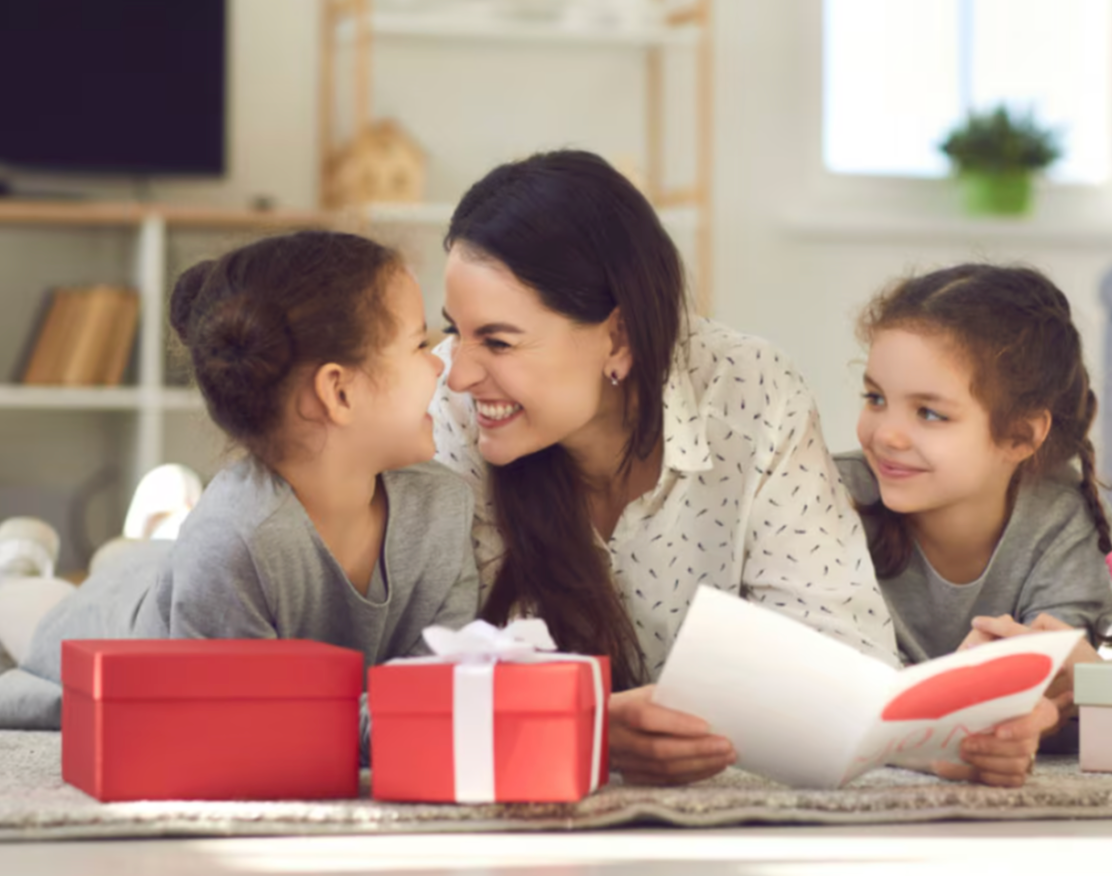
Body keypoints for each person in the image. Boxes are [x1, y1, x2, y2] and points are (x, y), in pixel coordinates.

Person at [430, 149, 901, 787]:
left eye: (497, 341)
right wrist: (588, 728)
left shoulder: (752, 392)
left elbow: (851, 665)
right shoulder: (452, 407)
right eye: (453, 331)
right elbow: (418, 684)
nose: (458, 372)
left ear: (618, 337)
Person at [0, 230, 480, 735]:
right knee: (38, 613)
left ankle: (150, 533)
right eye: (418, 344)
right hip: (130, 623)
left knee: (150, 559)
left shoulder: (444, 507)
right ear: (338, 392)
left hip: (188, 574)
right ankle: (16, 567)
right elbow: (259, 725)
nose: (441, 364)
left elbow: (439, 679)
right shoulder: (231, 543)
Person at [835, 263, 1112, 784]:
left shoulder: (1060, 519)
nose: (886, 434)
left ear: (1020, 436)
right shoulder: (833, 497)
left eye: (929, 413)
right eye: (876, 398)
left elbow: (1062, 687)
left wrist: (1031, 710)